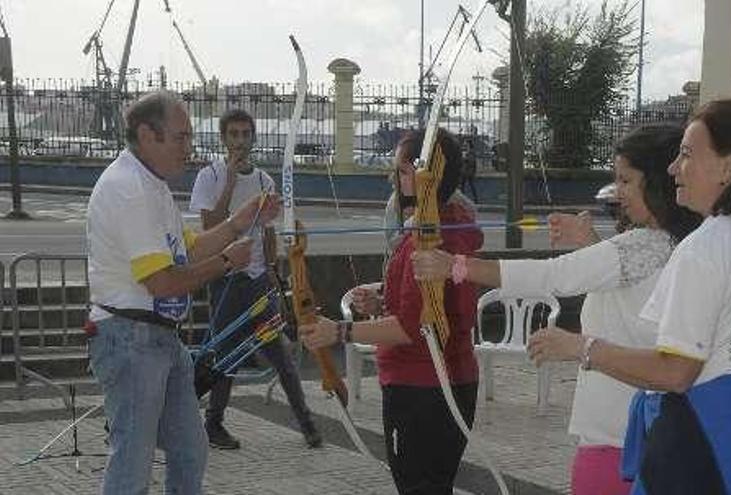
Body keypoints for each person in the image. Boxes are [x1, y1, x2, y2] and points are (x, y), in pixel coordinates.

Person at [530, 100, 731, 494]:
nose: (674, 168)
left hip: (708, 440)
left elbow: (675, 373)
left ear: (728, 167)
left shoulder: (703, 249)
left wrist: (581, 348)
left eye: (687, 154)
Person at [412, 125, 702, 495]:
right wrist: (591, 243)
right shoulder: (675, 244)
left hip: (618, 441)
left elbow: (553, 276)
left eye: (627, 181)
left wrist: (456, 266)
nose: (619, 193)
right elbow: (627, 290)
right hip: (647, 432)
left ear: (659, 183)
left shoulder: (644, 245)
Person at [86, 91, 279, 494]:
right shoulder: (129, 189)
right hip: (131, 337)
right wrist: (227, 262)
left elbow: (186, 247)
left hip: (159, 338)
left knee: (189, 449)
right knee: (132, 462)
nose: (189, 149)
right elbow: (162, 280)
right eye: (180, 137)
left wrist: (239, 222)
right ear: (146, 134)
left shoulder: (150, 183)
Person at [301, 129, 483, 495]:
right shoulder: (449, 222)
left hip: (421, 388)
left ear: (427, 176)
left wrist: (336, 331)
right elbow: (428, 306)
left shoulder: (430, 238)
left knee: (419, 486)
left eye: (402, 171)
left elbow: (409, 329)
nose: (393, 179)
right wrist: (384, 300)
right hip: (451, 380)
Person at [189, 108, 322, 450]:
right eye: (233, 135)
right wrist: (230, 183)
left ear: (253, 137)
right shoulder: (210, 176)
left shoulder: (265, 180)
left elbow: (267, 232)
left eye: (246, 134)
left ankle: (307, 423)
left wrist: (275, 272)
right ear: (223, 138)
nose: (240, 142)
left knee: (278, 351)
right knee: (226, 354)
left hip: (259, 281)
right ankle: (213, 423)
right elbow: (210, 227)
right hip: (225, 278)